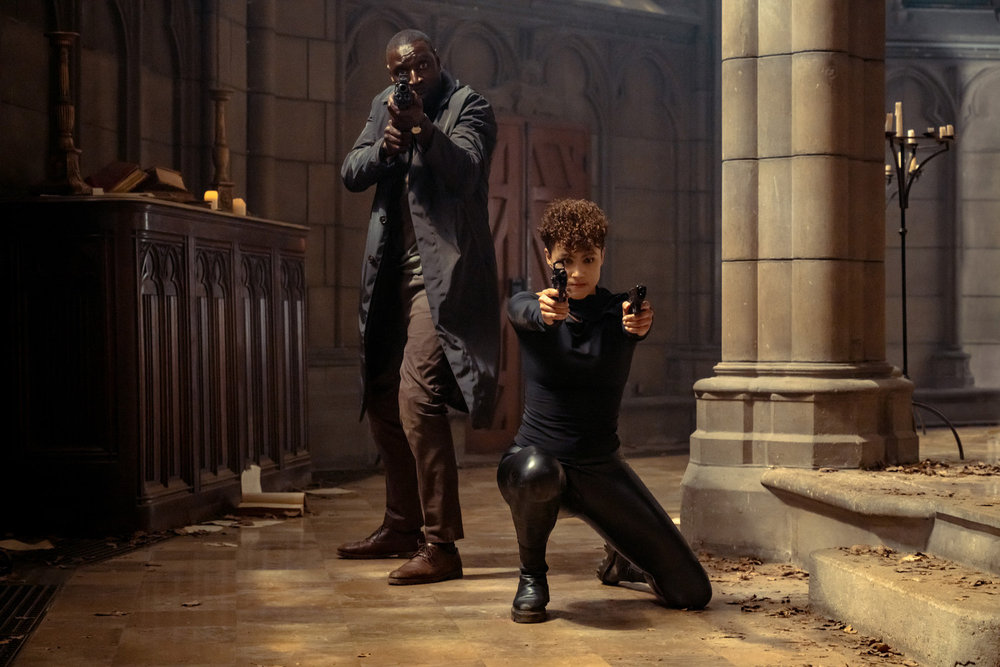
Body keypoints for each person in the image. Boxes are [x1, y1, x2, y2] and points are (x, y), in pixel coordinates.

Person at [497, 198, 713, 622]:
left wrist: (639, 323)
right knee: (537, 471)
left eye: (588, 259)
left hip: (600, 468)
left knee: (691, 592)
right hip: (533, 466)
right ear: (548, 258)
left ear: (602, 257)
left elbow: (635, 319)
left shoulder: (621, 313)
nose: (577, 272)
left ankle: (620, 559)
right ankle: (531, 576)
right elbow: (522, 309)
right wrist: (542, 313)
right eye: (566, 260)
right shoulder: (529, 306)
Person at [338, 29, 500, 586]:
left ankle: (441, 545)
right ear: (390, 76)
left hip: (443, 281)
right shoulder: (382, 108)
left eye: (423, 66)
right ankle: (402, 525)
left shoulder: (468, 106)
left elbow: (466, 171)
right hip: (389, 278)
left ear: (437, 62)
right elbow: (350, 171)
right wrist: (384, 146)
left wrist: (424, 132)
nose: (414, 79)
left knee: (417, 394)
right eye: (403, 72)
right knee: (381, 393)